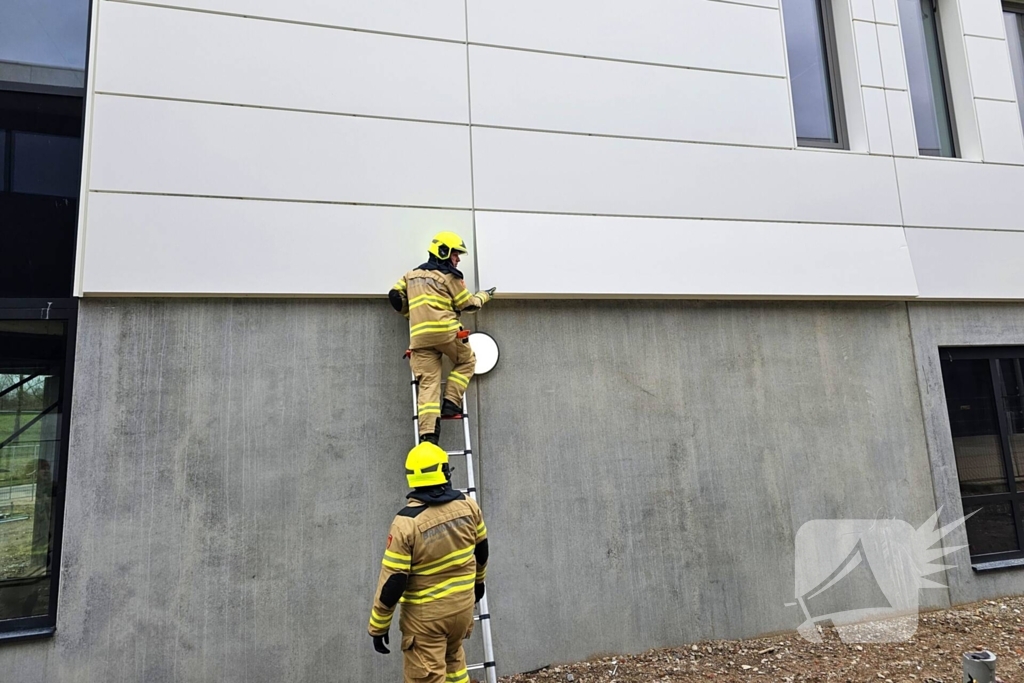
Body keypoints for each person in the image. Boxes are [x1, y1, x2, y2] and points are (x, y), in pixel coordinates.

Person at [368, 442, 489, 683]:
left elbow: (394, 582)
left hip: (427, 621)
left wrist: (378, 626)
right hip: (462, 610)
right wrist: (478, 584)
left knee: (427, 677)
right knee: (455, 663)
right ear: (444, 471)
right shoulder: (468, 506)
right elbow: (482, 551)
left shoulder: (406, 523)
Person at [390, 232, 495, 445]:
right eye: (456, 254)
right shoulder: (450, 277)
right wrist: (485, 296)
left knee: (428, 384)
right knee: (467, 361)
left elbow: (395, 297)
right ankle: (451, 402)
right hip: (447, 333)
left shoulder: (410, 276)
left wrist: (411, 315)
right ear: (444, 252)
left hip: (419, 339)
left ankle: (429, 436)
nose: (457, 259)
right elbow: (468, 305)